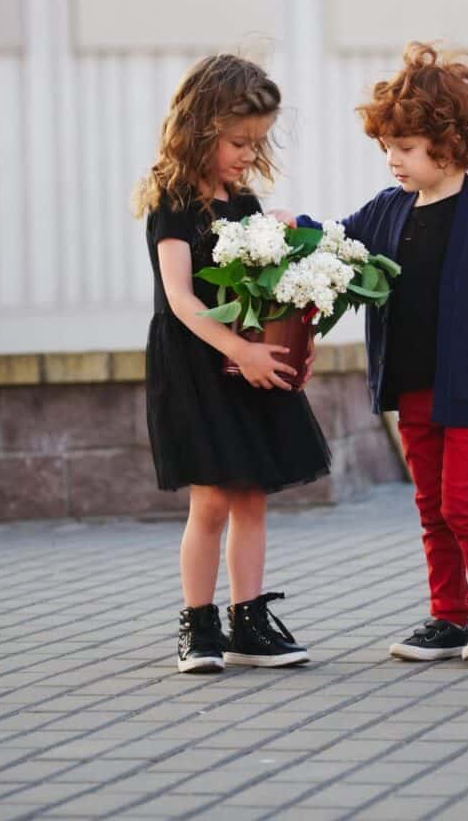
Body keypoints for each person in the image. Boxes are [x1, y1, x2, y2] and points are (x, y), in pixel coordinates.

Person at [275, 42, 468, 663]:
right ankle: (449, 618)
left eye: (405, 147)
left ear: (447, 144)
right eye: (387, 148)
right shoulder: (387, 210)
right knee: (431, 505)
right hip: (412, 384)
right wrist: (297, 228)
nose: (392, 160)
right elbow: (339, 243)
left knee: (463, 501)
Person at [134, 54, 331, 674]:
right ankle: (199, 625)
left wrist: (294, 334)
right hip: (197, 365)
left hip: (245, 367)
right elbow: (181, 300)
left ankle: (249, 621)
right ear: (199, 130)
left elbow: (264, 291)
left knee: (251, 498)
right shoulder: (173, 202)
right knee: (212, 499)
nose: (249, 153)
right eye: (238, 141)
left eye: (257, 142)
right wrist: (240, 348)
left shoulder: (243, 204)